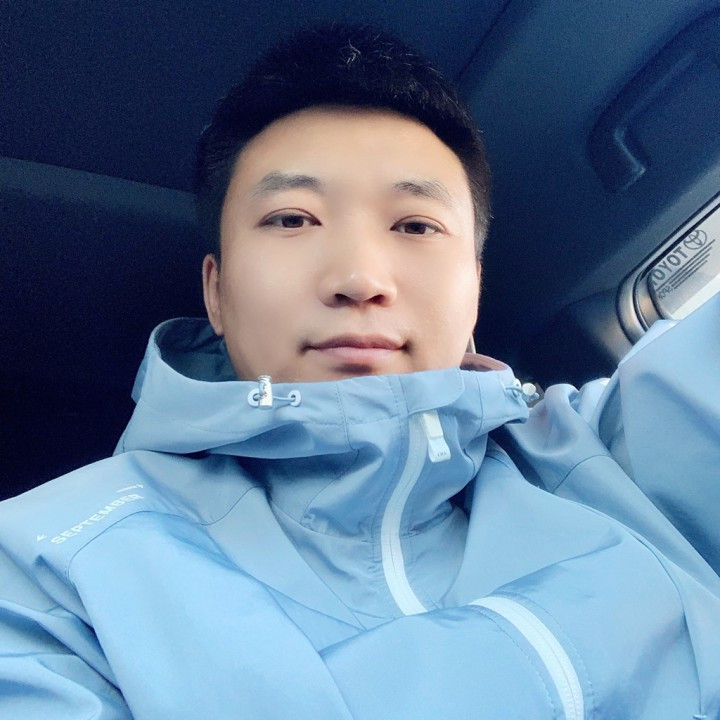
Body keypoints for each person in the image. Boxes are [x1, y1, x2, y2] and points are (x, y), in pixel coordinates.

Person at [0, 24, 719, 720]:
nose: (359, 278)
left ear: (474, 287)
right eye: (292, 219)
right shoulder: (45, 569)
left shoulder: (616, 456)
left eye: (415, 226)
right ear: (216, 292)